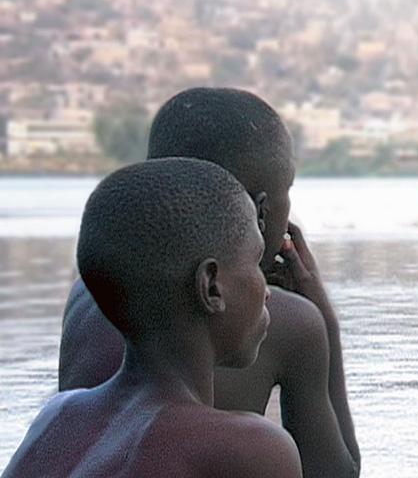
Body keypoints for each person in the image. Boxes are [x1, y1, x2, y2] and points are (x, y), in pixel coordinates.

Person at [59, 88, 360, 477]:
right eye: (289, 191)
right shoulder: (290, 322)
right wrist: (324, 320)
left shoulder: (93, 291)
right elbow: (338, 473)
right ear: (261, 211)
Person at [3, 159, 302, 478]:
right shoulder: (249, 450)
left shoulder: (57, 417)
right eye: (256, 262)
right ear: (211, 286)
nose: (267, 290)